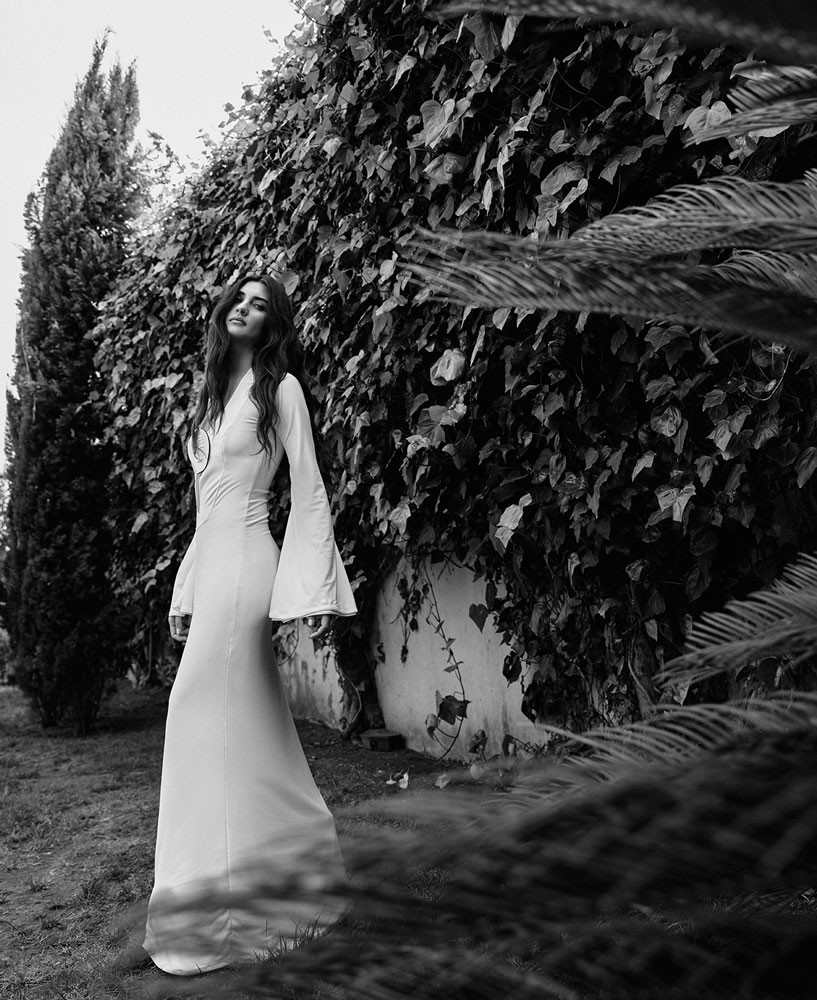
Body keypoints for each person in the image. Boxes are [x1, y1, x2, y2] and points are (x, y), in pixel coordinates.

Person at [143, 273, 357, 975]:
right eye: (238, 298)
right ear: (223, 310)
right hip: (214, 565)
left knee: (192, 707)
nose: (245, 308)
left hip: (248, 562)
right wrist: (185, 588)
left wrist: (309, 589)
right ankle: (292, 868)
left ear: (273, 323)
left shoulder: (280, 389)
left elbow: (309, 485)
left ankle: (224, 913)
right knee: (250, 719)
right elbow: (204, 509)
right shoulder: (209, 397)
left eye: (260, 304)